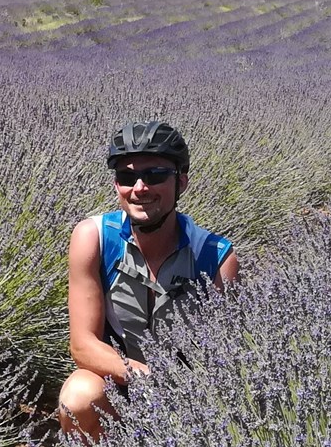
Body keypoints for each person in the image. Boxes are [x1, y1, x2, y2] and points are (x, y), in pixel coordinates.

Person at [58, 121, 239, 442]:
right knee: (78, 397)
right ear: (116, 184)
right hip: (119, 377)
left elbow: (227, 357)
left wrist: (180, 393)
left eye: (155, 175)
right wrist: (142, 376)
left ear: (181, 182)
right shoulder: (94, 238)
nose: (140, 187)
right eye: (127, 177)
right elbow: (82, 344)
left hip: (189, 391)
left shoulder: (215, 256)